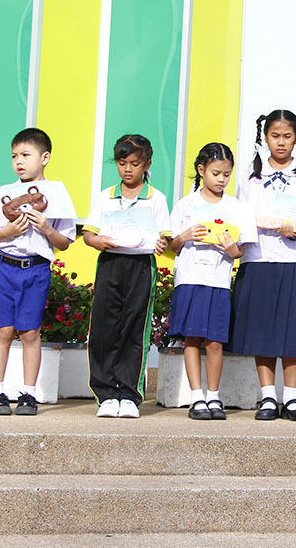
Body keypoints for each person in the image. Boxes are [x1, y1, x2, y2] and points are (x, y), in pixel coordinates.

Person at [0, 128, 76, 416]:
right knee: (4, 330)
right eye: (14, 156)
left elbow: (64, 243)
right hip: (6, 267)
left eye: (25, 155)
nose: (19, 161)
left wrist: (46, 228)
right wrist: (6, 232)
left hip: (36, 269)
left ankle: (28, 395)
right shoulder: (3, 193)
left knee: (30, 332)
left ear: (45, 158)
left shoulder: (57, 194)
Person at [231, 110, 296, 422]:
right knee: (263, 329)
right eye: (275, 136)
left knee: (294, 328)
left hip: (294, 261)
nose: (281, 142)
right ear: (265, 137)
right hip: (258, 259)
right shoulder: (250, 177)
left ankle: (292, 398)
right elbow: (240, 219)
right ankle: (268, 396)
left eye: (287, 136)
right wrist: (261, 224)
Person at [81, 134, 170, 419]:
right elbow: (88, 234)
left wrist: (161, 244)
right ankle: (106, 394)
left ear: (147, 164)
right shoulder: (105, 196)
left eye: (135, 163)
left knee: (135, 328)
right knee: (104, 328)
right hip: (111, 263)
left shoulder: (156, 198)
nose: (128, 169)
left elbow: (164, 238)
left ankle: (130, 395)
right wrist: (98, 241)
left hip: (141, 266)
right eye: (122, 163)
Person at [169, 142, 256, 420]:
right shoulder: (186, 205)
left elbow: (241, 249)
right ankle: (197, 397)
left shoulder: (236, 208)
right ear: (201, 170)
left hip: (218, 280)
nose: (221, 180)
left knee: (215, 340)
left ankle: (214, 396)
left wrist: (232, 250)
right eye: (216, 173)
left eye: (226, 174)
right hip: (190, 277)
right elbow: (173, 245)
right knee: (192, 338)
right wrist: (185, 236)